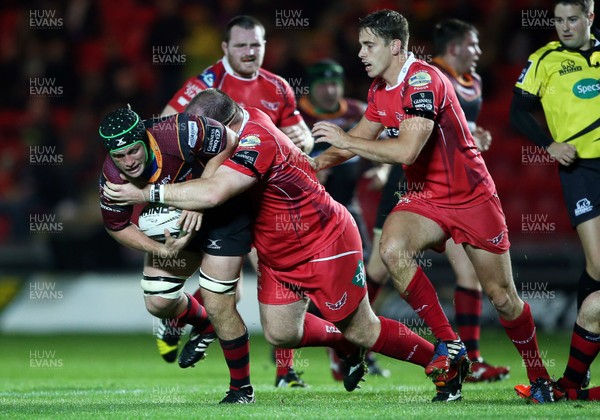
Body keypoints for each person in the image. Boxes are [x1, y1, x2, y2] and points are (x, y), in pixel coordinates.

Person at [103, 88, 474, 403]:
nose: (195, 141)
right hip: (277, 249)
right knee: (281, 333)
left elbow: (215, 191)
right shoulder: (232, 130)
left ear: (222, 126)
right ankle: (345, 346)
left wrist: (148, 193)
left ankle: (442, 362)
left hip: (323, 241)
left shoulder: (255, 139)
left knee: (362, 328)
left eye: (203, 133)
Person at [311, 9, 554, 403]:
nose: (360, 53)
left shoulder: (423, 80)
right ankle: (449, 344)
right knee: (391, 250)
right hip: (425, 197)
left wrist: (348, 142)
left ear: (394, 46)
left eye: (368, 45)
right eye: (359, 44)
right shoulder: (379, 89)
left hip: (472, 197)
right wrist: (315, 161)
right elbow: (356, 137)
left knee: (504, 298)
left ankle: (539, 374)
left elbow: (407, 148)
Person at [162, 15, 313, 386]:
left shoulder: (278, 87)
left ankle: (284, 369)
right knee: (222, 285)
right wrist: (190, 196)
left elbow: (302, 141)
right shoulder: (207, 85)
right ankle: (188, 321)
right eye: (242, 45)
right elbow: (168, 128)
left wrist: (304, 140)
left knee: (273, 272)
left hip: (262, 198)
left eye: (256, 45)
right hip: (218, 196)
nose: (249, 52)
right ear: (225, 49)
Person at [98, 106, 256, 404]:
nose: (128, 162)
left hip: (225, 214)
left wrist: (199, 199)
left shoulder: (179, 132)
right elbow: (116, 226)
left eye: (133, 151)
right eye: (119, 156)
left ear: (145, 138)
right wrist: (158, 249)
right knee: (157, 300)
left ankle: (241, 390)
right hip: (177, 225)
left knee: (219, 301)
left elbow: (231, 140)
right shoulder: (112, 177)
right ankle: (206, 324)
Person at [511, 0, 600, 402]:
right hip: (579, 171)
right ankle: (587, 334)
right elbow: (517, 113)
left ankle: (578, 366)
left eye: (572, 20)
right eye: (559, 20)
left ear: (589, 18)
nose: (564, 27)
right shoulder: (544, 59)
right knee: (597, 265)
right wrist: (549, 144)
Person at [298, 59, 389, 380]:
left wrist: (382, 168)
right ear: (311, 87)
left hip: (349, 207)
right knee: (312, 283)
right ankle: (309, 344)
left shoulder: (357, 111)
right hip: (308, 212)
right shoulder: (297, 116)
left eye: (334, 83)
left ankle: (359, 346)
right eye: (323, 84)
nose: (330, 90)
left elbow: (390, 144)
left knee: (362, 274)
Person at [430, 18, 509, 383]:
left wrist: (477, 136)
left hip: (458, 192)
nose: (478, 52)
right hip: (426, 188)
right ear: (455, 47)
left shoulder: (472, 82)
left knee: (469, 277)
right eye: (473, 45)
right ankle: (350, 341)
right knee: (384, 267)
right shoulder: (431, 78)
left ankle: (468, 358)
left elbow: (461, 131)